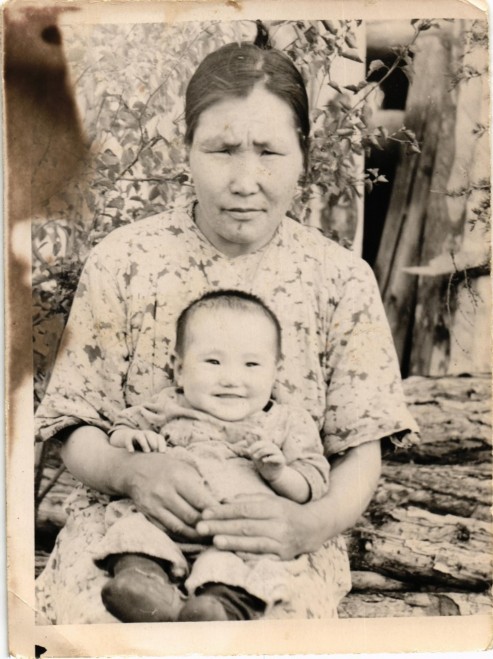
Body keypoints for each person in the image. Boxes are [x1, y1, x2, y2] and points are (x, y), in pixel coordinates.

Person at [35, 40, 418, 624]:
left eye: (269, 152)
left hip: (274, 538)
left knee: (265, 628)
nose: (244, 181)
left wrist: (308, 524)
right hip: (127, 527)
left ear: (304, 154)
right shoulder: (125, 261)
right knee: (100, 625)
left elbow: (361, 449)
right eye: (221, 150)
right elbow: (74, 422)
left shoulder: (340, 279)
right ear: (186, 149)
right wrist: (130, 472)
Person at [96, 289, 330, 622]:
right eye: (213, 362)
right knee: (134, 533)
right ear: (179, 368)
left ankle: (217, 608)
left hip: (237, 535)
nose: (231, 379)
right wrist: (134, 439)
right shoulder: (168, 405)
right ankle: (145, 587)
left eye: (252, 364)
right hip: (165, 522)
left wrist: (278, 474)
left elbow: (312, 483)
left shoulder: (286, 422)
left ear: (275, 371)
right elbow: (120, 430)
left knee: (235, 566)